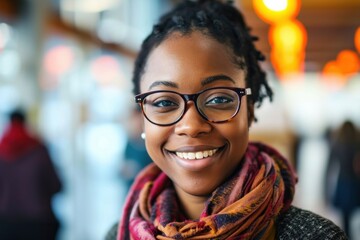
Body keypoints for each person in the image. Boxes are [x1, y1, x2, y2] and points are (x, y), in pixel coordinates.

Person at [106, 0, 347, 239]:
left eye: (218, 99)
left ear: (249, 111)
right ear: (143, 118)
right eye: (164, 102)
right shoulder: (119, 234)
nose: (191, 126)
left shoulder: (314, 236)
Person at [0, 109, 62, 240]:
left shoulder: (1, 152)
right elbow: (56, 186)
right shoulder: (39, 150)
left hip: (4, 223)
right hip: (38, 223)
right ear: (26, 122)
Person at [325, 120, 360, 238]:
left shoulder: (337, 144)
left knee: (345, 217)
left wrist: (325, 191)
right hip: (356, 183)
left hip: (343, 183)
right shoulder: (357, 143)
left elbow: (329, 168)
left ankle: (347, 236)